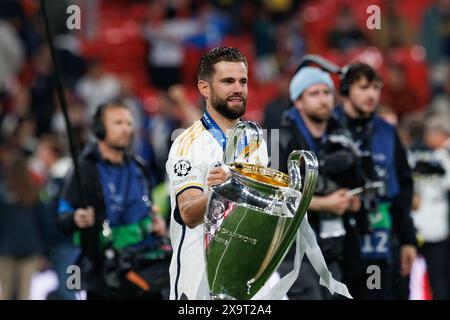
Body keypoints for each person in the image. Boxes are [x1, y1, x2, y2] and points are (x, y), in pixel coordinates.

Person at [166, 47, 270, 300]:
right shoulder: (187, 144)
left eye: (243, 81)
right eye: (227, 81)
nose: (238, 89)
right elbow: (188, 213)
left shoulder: (256, 140)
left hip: (245, 276)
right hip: (199, 281)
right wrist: (224, 191)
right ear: (204, 88)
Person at [57, 101, 169, 300]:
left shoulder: (139, 167)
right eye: (118, 122)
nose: (126, 129)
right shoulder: (84, 170)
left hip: (145, 271)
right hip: (105, 275)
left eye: (129, 123)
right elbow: (62, 216)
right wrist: (76, 217)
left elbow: (150, 207)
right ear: (99, 129)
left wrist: (157, 222)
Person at [277, 66, 363, 299]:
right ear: (298, 102)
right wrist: (324, 204)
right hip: (293, 253)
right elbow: (276, 196)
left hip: (335, 248)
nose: (323, 99)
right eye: (314, 93)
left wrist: (355, 200)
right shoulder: (281, 139)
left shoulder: (341, 138)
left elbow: (361, 182)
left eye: (327, 92)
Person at [333, 63, 417, 299]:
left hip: (379, 245)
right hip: (336, 248)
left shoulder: (387, 131)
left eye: (376, 88)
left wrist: (408, 240)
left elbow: (403, 186)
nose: (371, 94)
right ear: (347, 90)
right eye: (363, 87)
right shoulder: (327, 127)